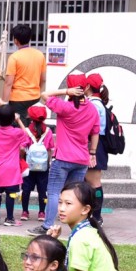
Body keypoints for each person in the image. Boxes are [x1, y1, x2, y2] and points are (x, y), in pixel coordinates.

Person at [33, 71, 99, 235]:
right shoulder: (92, 109)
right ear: (87, 87)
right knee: (74, 195)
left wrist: (65, 92)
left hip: (62, 158)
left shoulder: (65, 107)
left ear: (71, 88)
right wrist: (92, 152)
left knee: (55, 192)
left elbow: (44, 95)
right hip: (82, 159)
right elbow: (95, 133)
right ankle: (75, 225)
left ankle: (47, 226)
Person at [2, 24, 47, 117]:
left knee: (18, 129)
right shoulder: (40, 55)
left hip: (17, 100)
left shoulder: (14, 57)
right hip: (35, 97)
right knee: (31, 128)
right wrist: (36, 90)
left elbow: (8, 83)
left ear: (15, 40)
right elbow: (43, 79)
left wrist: (4, 104)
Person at [20, 105, 55, 223]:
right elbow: (50, 149)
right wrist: (48, 163)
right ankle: (41, 212)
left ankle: (25, 211)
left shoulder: (27, 131)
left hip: (29, 166)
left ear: (30, 116)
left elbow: (23, 147)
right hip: (43, 167)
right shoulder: (49, 131)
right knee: (42, 190)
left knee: (26, 189)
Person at [83, 73, 109, 223]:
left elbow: (92, 129)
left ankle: (96, 216)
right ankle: (95, 215)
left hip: (94, 145)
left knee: (94, 182)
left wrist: (91, 151)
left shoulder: (92, 104)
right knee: (93, 182)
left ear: (87, 87)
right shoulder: (100, 103)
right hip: (99, 145)